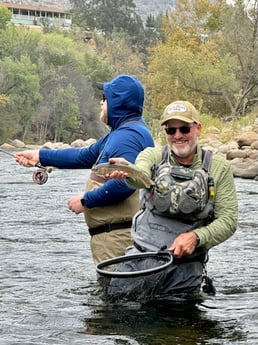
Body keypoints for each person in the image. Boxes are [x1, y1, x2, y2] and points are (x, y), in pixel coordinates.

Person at [102, 100, 238, 302]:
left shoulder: (219, 168)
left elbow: (228, 221)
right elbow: (139, 175)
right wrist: (129, 172)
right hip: (141, 259)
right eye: (171, 130)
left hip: (187, 270)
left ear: (198, 128)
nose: (177, 136)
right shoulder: (152, 156)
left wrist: (197, 236)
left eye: (184, 129)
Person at [15, 74, 154, 265]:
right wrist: (40, 155)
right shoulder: (122, 133)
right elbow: (82, 155)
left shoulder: (127, 137)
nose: (101, 102)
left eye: (105, 98)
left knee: (117, 293)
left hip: (118, 238)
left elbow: (125, 183)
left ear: (118, 102)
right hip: (114, 235)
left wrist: (85, 201)